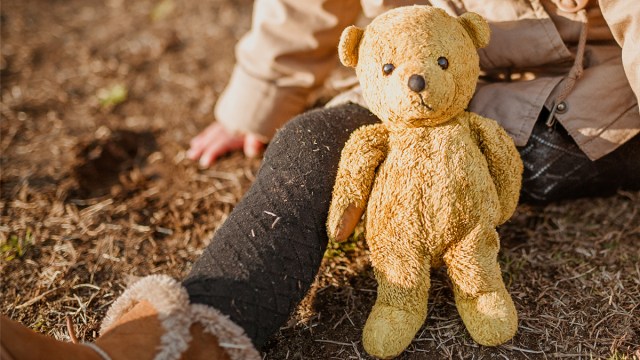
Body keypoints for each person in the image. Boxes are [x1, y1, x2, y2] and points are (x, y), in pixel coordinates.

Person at [2, 0, 639, 359]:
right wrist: (260, 95)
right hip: (393, 84)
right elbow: (306, 5)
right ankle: (179, 339)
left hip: (586, 99)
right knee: (310, 142)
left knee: (576, 150)